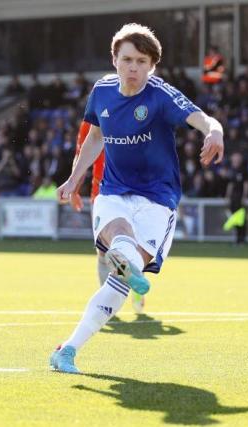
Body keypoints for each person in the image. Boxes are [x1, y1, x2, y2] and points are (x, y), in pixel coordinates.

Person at [50, 23, 224, 374]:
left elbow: (201, 118)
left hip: (158, 199)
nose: (133, 67)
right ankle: (123, 257)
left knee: (118, 287)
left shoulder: (160, 95)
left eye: (141, 61)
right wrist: (75, 177)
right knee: (118, 233)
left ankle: (65, 350)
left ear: (152, 66)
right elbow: (95, 138)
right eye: (127, 59)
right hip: (113, 190)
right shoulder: (101, 92)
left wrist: (215, 131)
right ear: (114, 60)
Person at [69, 117, 147, 313]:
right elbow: (81, 155)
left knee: (131, 244)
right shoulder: (92, 119)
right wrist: (74, 188)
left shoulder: (137, 113)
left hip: (134, 191)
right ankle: (109, 301)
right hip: (102, 192)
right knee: (105, 250)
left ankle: (133, 286)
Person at [225, 152, 248, 245]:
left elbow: (246, 184)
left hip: (240, 198)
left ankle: (242, 239)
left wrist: (245, 196)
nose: (235, 160)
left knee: (241, 219)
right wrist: (227, 196)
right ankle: (237, 238)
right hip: (233, 198)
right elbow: (230, 184)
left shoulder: (243, 170)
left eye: (236, 158)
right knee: (234, 219)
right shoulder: (232, 170)